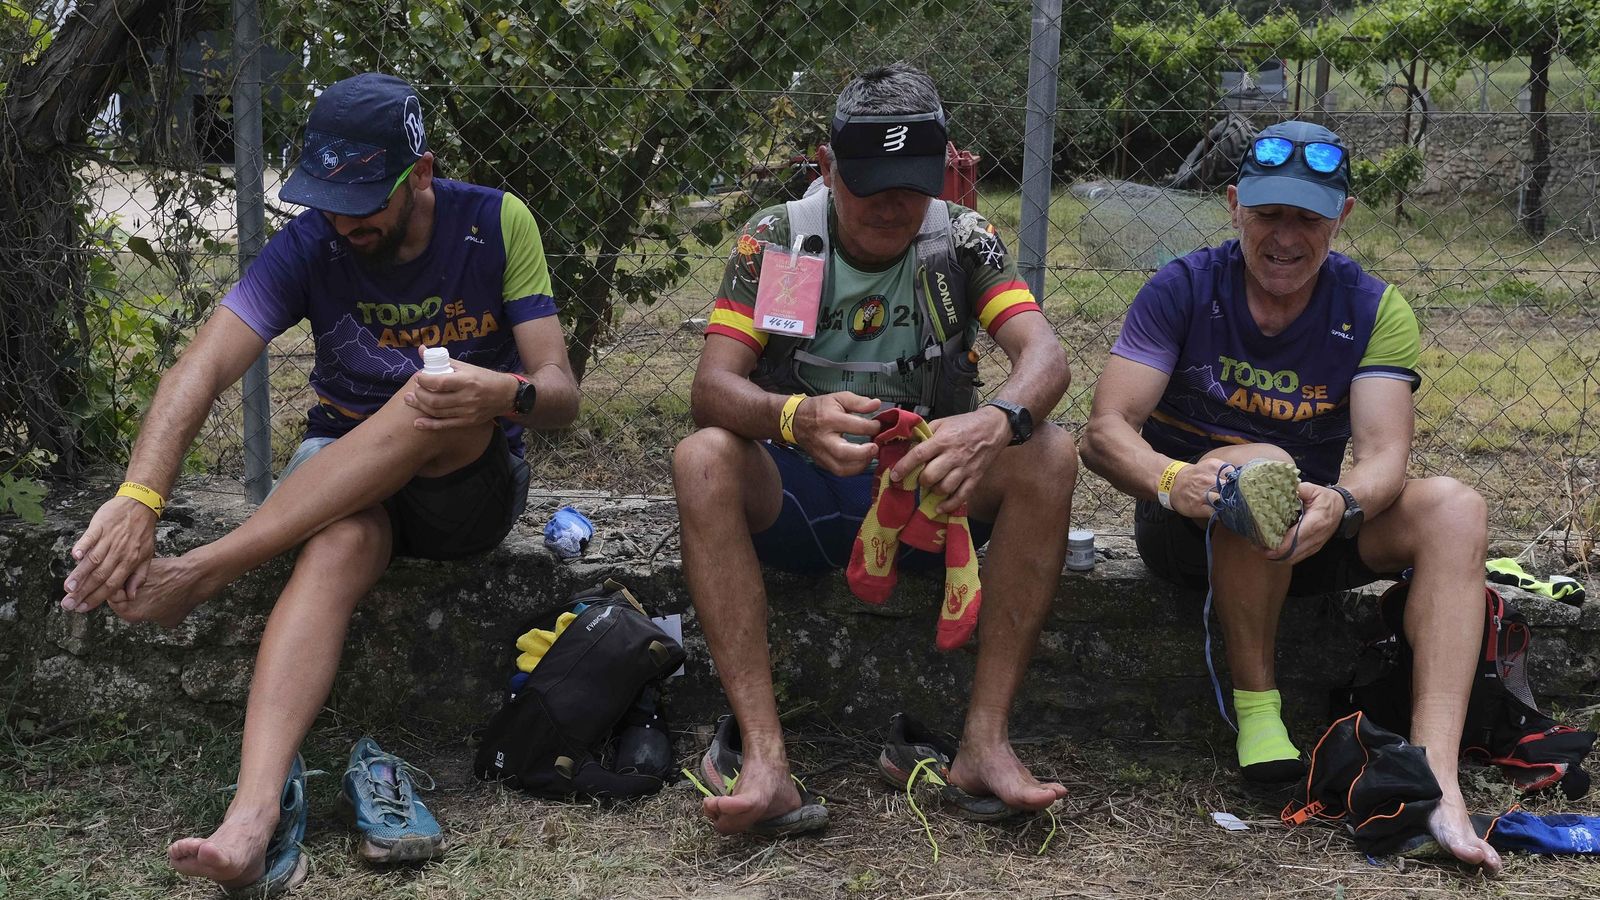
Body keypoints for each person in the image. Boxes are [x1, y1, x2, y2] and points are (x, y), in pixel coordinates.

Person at [57, 73, 579, 894]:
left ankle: (207, 571)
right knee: (338, 541)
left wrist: (500, 393)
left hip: (465, 485)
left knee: (431, 399)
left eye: (362, 201)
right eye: (327, 201)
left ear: (421, 174)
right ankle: (250, 819)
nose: (342, 221)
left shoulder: (496, 220)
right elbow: (200, 369)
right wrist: (139, 497)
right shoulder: (311, 243)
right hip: (345, 487)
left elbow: (560, 395)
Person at [1079, 120, 1502, 872]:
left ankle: (1433, 778)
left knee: (1455, 508)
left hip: (1313, 525)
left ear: (1342, 218)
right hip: (1189, 525)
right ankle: (1258, 710)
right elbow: (1105, 431)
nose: (1284, 237)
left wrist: (1342, 501)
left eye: (1307, 218)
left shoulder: (1374, 308)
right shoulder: (1182, 287)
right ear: (1234, 205)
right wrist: (1173, 480)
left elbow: (1384, 456)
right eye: (1268, 214)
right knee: (1263, 467)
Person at [672, 63, 1077, 837]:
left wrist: (992, 424)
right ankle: (765, 760)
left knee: (1049, 453)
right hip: (804, 493)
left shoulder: (960, 240)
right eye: (869, 185)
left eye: (912, 185)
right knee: (703, 459)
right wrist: (795, 417)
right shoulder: (789, 242)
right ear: (827, 167)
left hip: (930, 498)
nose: (892, 204)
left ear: (942, 168)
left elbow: (1046, 358)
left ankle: (984, 745)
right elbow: (712, 389)